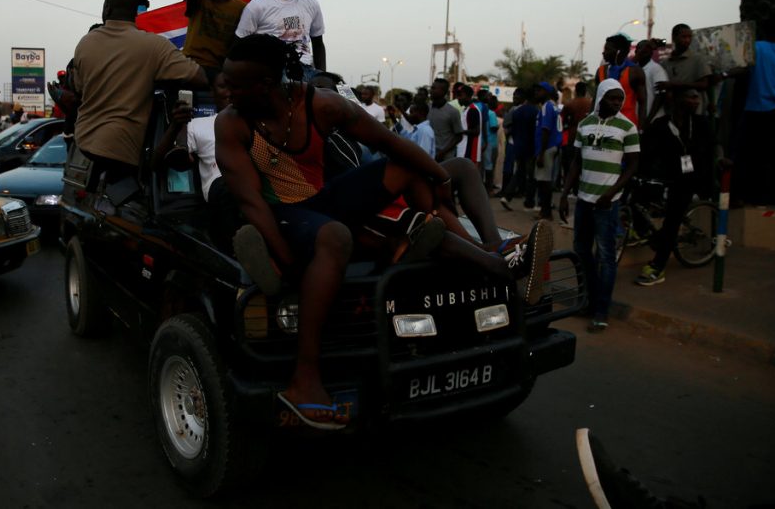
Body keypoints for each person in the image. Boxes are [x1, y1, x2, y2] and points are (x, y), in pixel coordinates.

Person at [215, 34, 553, 430]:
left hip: (322, 199)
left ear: (267, 84)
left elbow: (390, 142)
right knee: (336, 236)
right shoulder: (232, 125)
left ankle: (475, 257)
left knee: (409, 172)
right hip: (282, 212)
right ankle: (304, 381)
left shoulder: (320, 105)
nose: (227, 91)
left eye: (237, 84)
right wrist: (288, 261)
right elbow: (253, 203)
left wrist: (440, 176)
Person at [73, 0, 207, 195]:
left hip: (84, 144)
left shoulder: (85, 43)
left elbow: (80, 89)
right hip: (124, 154)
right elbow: (199, 78)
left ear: (107, 8)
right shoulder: (154, 46)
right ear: (136, 12)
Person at [560, 79, 640, 332]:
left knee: (606, 257)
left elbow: (633, 165)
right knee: (581, 251)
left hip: (608, 203)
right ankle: (589, 299)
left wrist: (613, 191)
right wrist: (564, 194)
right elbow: (576, 162)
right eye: (612, 98)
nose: (616, 103)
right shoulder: (585, 124)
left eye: (620, 99)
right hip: (583, 199)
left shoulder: (627, 127)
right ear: (601, 97)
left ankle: (601, 310)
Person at [152, 72, 241, 253]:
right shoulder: (197, 125)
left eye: (235, 86)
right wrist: (175, 127)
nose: (230, 92)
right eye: (224, 87)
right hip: (224, 188)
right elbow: (156, 162)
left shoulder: (255, 121)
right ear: (212, 91)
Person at [634, 88, 713, 286]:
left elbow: (712, 148)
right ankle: (649, 235)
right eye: (692, 97)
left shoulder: (701, 124)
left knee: (671, 222)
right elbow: (645, 152)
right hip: (666, 177)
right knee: (636, 198)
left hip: (690, 179)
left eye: (697, 97)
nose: (696, 101)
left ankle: (657, 267)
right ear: (678, 100)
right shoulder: (660, 125)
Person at [731, 15, 775, 205]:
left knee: (744, 153)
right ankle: (766, 195)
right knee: (769, 154)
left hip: (752, 107)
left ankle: (740, 194)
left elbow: (742, 71)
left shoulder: (756, 48)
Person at [658, 23, 713, 115]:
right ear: (674, 37)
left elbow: (704, 84)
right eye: (683, 37)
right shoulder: (666, 63)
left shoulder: (698, 59)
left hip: (694, 111)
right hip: (672, 111)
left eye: (689, 37)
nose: (687, 40)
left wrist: (675, 85)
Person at [595, 33, 647, 130]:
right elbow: (595, 100)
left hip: (627, 125)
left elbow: (643, 103)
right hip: (603, 125)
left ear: (618, 51)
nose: (603, 53)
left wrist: (641, 129)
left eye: (607, 49)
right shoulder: (600, 71)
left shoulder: (635, 72)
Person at [501, 87, 539, 210]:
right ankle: (529, 202)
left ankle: (507, 196)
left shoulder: (516, 112)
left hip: (518, 146)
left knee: (519, 172)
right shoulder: (535, 111)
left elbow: (510, 129)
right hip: (530, 147)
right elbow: (536, 131)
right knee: (531, 175)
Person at [534, 81, 563, 220]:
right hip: (553, 146)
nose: (536, 93)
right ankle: (545, 211)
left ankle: (546, 213)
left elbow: (546, 130)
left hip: (547, 147)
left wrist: (540, 153)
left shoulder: (547, 106)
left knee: (544, 182)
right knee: (545, 180)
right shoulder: (553, 106)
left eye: (539, 91)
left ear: (546, 92)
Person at [560, 81, 592, 192]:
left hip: (573, 136)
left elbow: (562, 121)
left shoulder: (570, 104)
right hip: (588, 137)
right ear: (585, 91)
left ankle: (573, 188)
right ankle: (582, 188)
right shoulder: (590, 104)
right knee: (585, 164)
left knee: (571, 164)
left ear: (576, 91)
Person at [427, 78, 463, 161]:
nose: (431, 91)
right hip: (429, 155)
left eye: (433, 88)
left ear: (443, 91)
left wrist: (443, 152)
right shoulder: (427, 108)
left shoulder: (452, 112)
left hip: (445, 158)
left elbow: (459, 136)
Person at [635, 39, 668, 123]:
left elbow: (660, 95)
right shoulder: (633, 69)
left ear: (651, 52)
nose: (643, 52)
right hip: (637, 119)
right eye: (640, 49)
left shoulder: (656, 69)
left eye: (646, 50)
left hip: (654, 119)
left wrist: (649, 119)